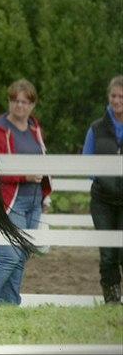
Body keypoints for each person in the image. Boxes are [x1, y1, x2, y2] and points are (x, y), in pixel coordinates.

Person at [0, 79, 52, 305]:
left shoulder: (35, 129)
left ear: (32, 105)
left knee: (22, 255)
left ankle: (9, 303)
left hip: (33, 200)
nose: (20, 106)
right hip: (6, 201)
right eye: (15, 101)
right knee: (9, 256)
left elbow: (44, 162)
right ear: (9, 102)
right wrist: (25, 177)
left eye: (25, 102)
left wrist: (45, 192)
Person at [82, 75, 123, 305]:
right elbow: (87, 160)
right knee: (108, 252)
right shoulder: (96, 128)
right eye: (114, 96)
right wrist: (103, 179)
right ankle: (112, 298)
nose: (117, 101)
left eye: (121, 97)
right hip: (103, 201)